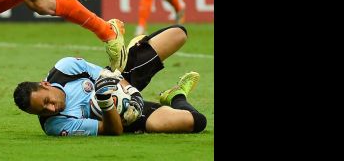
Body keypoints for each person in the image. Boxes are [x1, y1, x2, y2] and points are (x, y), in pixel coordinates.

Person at [12, 25, 207, 136]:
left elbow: (108, 76)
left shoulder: (65, 68)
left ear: (45, 84)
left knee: (179, 34)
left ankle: (134, 51)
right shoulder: (55, 125)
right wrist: (106, 102)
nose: (51, 109)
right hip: (123, 118)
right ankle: (177, 96)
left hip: (117, 80)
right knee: (196, 122)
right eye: (42, 111)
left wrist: (132, 93)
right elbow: (113, 130)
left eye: (47, 102)